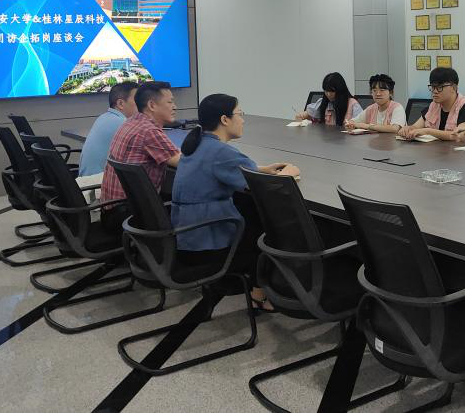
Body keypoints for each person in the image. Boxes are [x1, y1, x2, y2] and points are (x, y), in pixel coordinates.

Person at [172, 94, 299, 310]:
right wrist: (289, 173)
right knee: (267, 224)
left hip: (187, 236)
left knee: (249, 208)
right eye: (240, 114)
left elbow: (227, 168)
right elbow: (267, 189)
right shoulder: (221, 151)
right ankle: (260, 294)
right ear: (225, 119)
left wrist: (261, 169)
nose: (243, 120)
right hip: (207, 244)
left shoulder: (198, 142)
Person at [100, 81, 181, 234]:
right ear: (152, 105)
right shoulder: (148, 131)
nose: (174, 106)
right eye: (170, 102)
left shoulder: (132, 122)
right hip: (130, 217)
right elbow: (185, 163)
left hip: (112, 212)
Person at [398, 67, 465, 141]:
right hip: (438, 151)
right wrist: (408, 129)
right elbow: (416, 126)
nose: (435, 91)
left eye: (440, 87)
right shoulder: (434, 105)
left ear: (454, 87)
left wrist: (428, 131)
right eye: (433, 87)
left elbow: (459, 136)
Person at [78, 81, 139, 176]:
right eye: (137, 100)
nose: (142, 104)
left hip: (86, 179)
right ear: (120, 103)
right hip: (97, 182)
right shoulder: (123, 124)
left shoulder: (103, 117)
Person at [294, 72, 361, 126]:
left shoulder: (353, 105)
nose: (328, 94)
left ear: (340, 90)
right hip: (326, 138)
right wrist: (301, 115)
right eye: (326, 91)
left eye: (332, 91)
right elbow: (308, 114)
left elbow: (361, 125)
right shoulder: (323, 103)